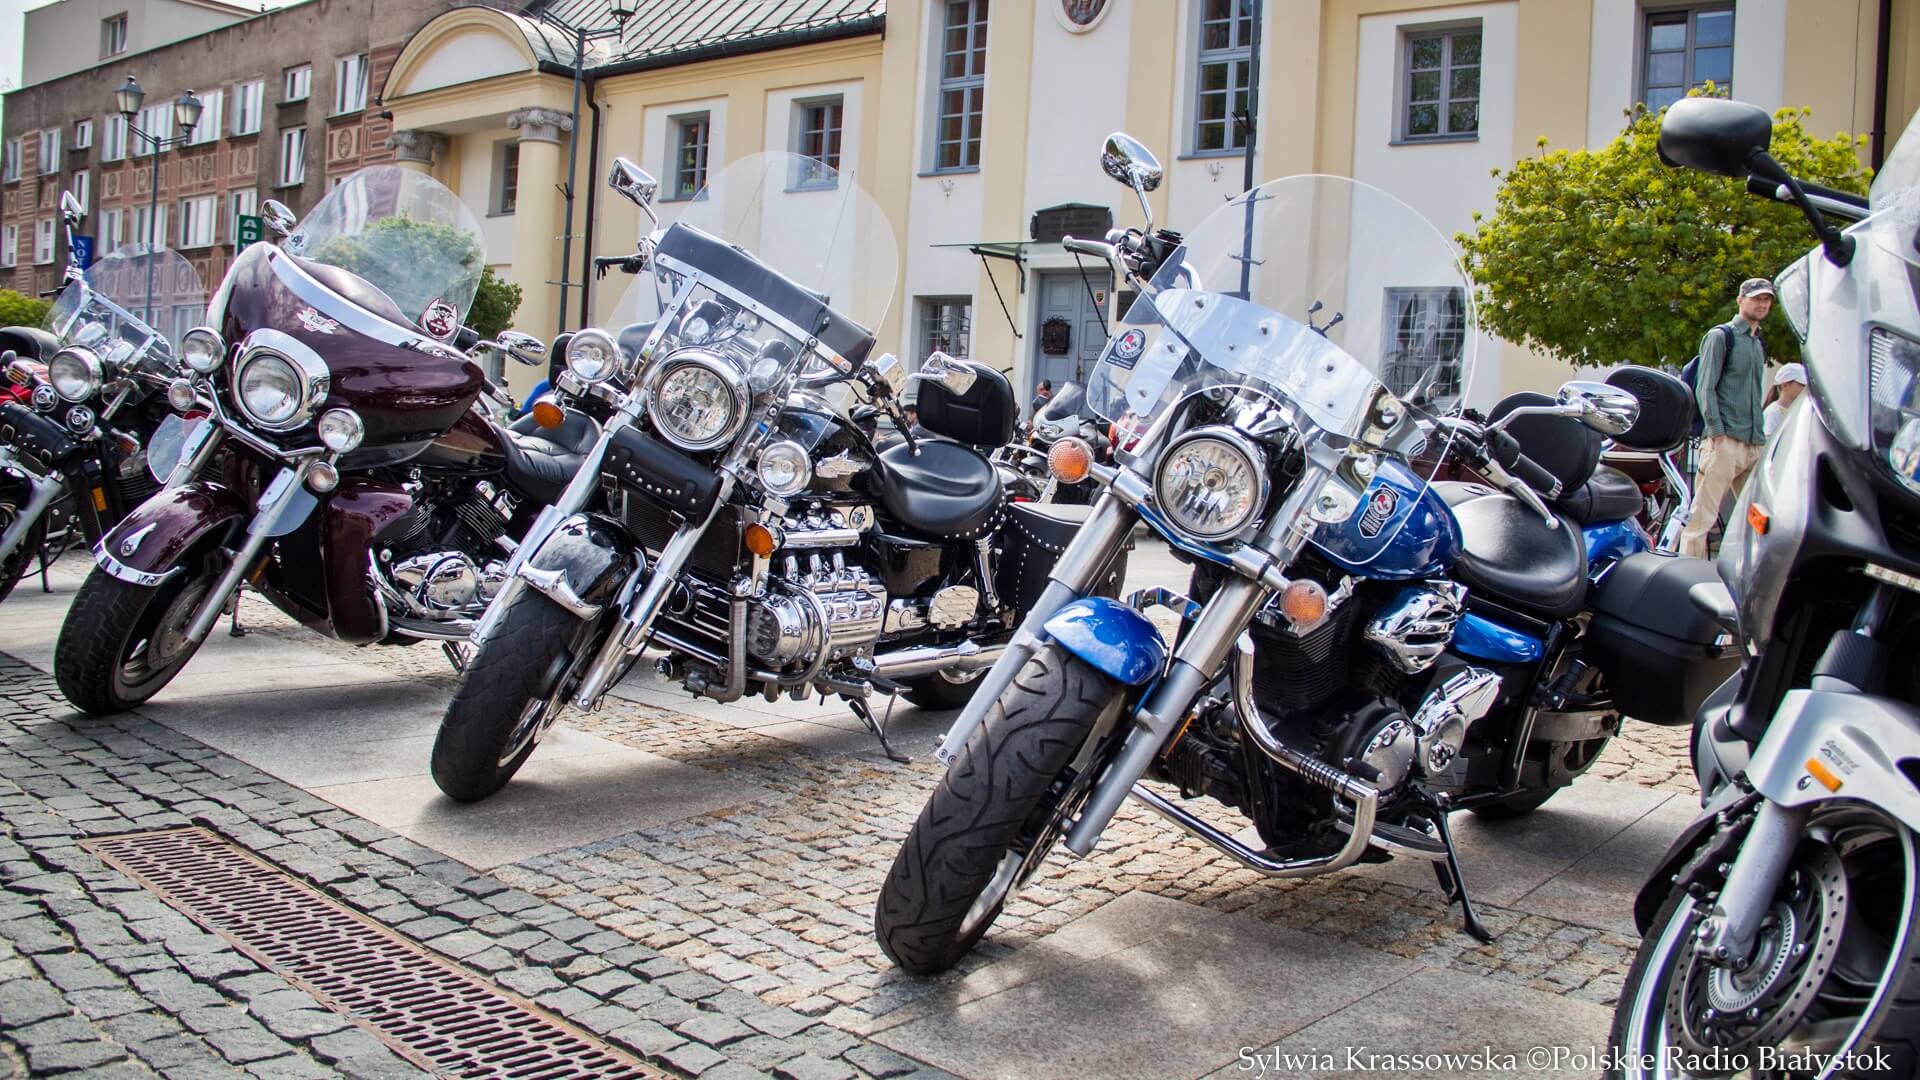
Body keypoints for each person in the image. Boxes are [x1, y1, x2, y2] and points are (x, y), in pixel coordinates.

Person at [1679, 277, 1774, 558]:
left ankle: (1750, 571)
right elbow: (1705, 387)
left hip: (1753, 442)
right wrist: (1716, 431)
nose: (1762, 304)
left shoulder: (1758, 343)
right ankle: (1685, 573)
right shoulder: (1721, 336)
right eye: (1756, 298)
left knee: (1760, 519)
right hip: (1725, 441)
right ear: (1741, 300)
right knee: (1701, 519)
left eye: (1766, 299)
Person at [1763, 362, 1807, 439]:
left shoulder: (1799, 411)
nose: (1806, 389)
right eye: (1803, 385)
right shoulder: (1773, 413)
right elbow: (1769, 442)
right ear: (1785, 385)